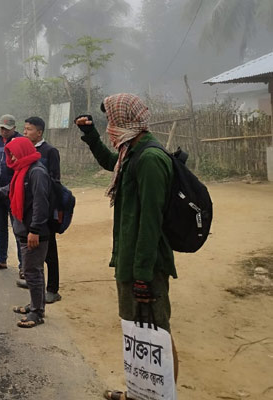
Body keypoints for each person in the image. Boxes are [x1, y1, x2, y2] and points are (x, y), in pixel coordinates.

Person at [74, 93, 178, 400]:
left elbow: (151, 222)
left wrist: (143, 275)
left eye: (111, 121)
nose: (109, 127)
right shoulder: (132, 152)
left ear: (126, 121)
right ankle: (140, 393)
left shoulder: (150, 159)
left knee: (157, 334)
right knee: (137, 335)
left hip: (144, 266)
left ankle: (163, 395)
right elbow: (111, 162)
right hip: (130, 262)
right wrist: (91, 134)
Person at [0, 138, 50, 328]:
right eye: (9, 153)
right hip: (24, 230)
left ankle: (37, 313)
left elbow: (41, 204)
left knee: (32, 272)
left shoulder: (37, 172)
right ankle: (35, 305)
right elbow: (10, 190)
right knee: (34, 270)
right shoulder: (22, 170)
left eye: (14, 153)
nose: (12, 157)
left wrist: (35, 230)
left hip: (33, 232)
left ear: (24, 151)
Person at [20, 117, 63, 304]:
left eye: (29, 129)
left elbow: (55, 182)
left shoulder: (49, 151)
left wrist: (48, 207)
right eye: (24, 129)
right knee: (33, 250)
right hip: (30, 209)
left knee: (49, 250)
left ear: (39, 132)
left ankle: (53, 289)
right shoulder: (26, 151)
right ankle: (34, 281)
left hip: (46, 208)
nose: (25, 132)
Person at [0, 114, 24, 276]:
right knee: (0, 228)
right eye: (1, 128)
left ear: (14, 128)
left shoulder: (20, 142)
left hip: (14, 193)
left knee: (18, 230)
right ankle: (1, 260)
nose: (3, 131)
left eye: (7, 129)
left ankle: (24, 266)